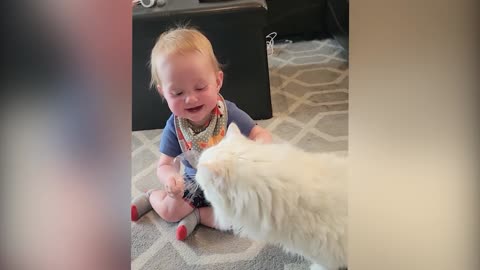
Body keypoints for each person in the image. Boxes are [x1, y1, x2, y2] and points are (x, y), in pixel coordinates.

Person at [130, 26, 272, 240]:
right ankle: (152, 197)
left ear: (217, 81)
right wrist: (170, 180)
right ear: (163, 92)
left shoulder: (227, 113)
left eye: (200, 87)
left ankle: (198, 216)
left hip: (228, 182)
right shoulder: (175, 126)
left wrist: (258, 149)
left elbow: (259, 134)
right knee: (171, 211)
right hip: (193, 183)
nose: (191, 99)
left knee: (249, 217)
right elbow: (164, 164)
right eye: (177, 93)